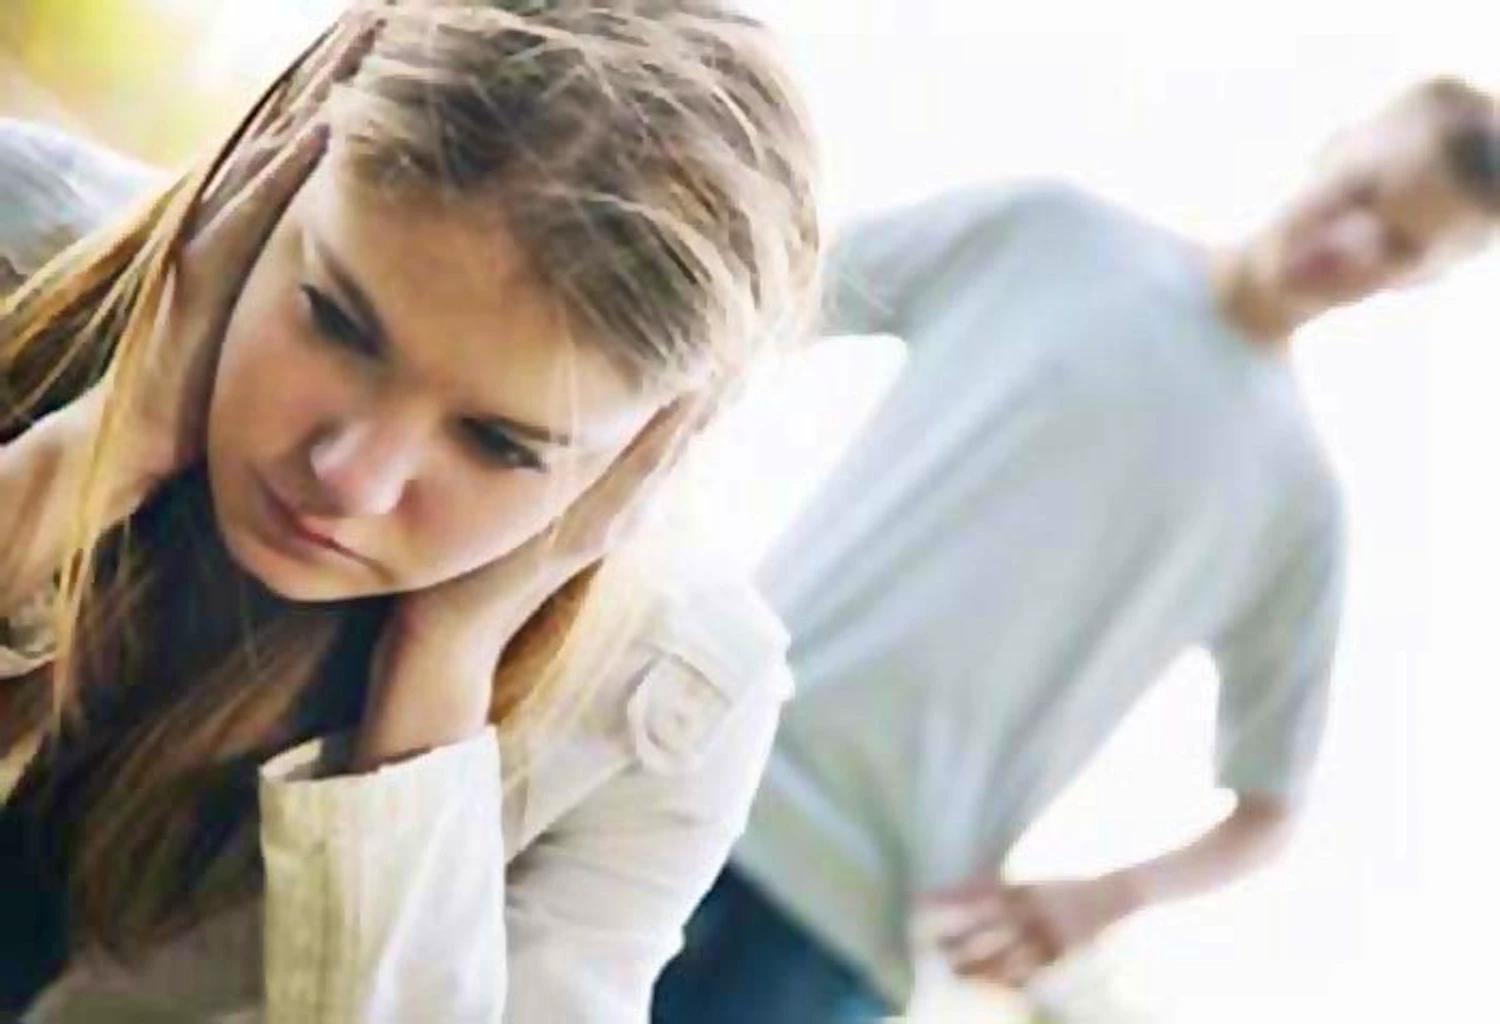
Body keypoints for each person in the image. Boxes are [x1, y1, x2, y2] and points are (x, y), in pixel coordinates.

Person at [0, 1, 819, 1019]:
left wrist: (441, 679)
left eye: (500, 443)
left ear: (645, 452)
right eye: (336, 320)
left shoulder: (667, 710)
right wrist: (98, 449)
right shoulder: (15, 241)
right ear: (281, 161)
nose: (353, 478)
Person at [653, 77, 1500, 1022]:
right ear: (1336, 143)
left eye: (1400, 247)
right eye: (1360, 193)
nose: (1352, 244)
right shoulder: (1047, 237)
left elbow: (1270, 811)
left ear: (1425, 279)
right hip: (668, 760)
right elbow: (756, 303)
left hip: (847, 926)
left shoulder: (1297, 507)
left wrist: (1102, 900)